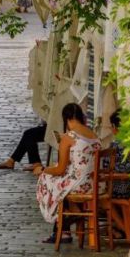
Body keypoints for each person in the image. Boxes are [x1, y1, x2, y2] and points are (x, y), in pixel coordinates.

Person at [34, 103, 100, 243]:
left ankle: (61, 225)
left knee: (46, 178)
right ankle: (70, 218)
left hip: (79, 184)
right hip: (94, 184)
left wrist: (43, 169)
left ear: (67, 119)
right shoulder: (94, 135)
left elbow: (60, 170)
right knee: (58, 182)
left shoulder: (68, 137)